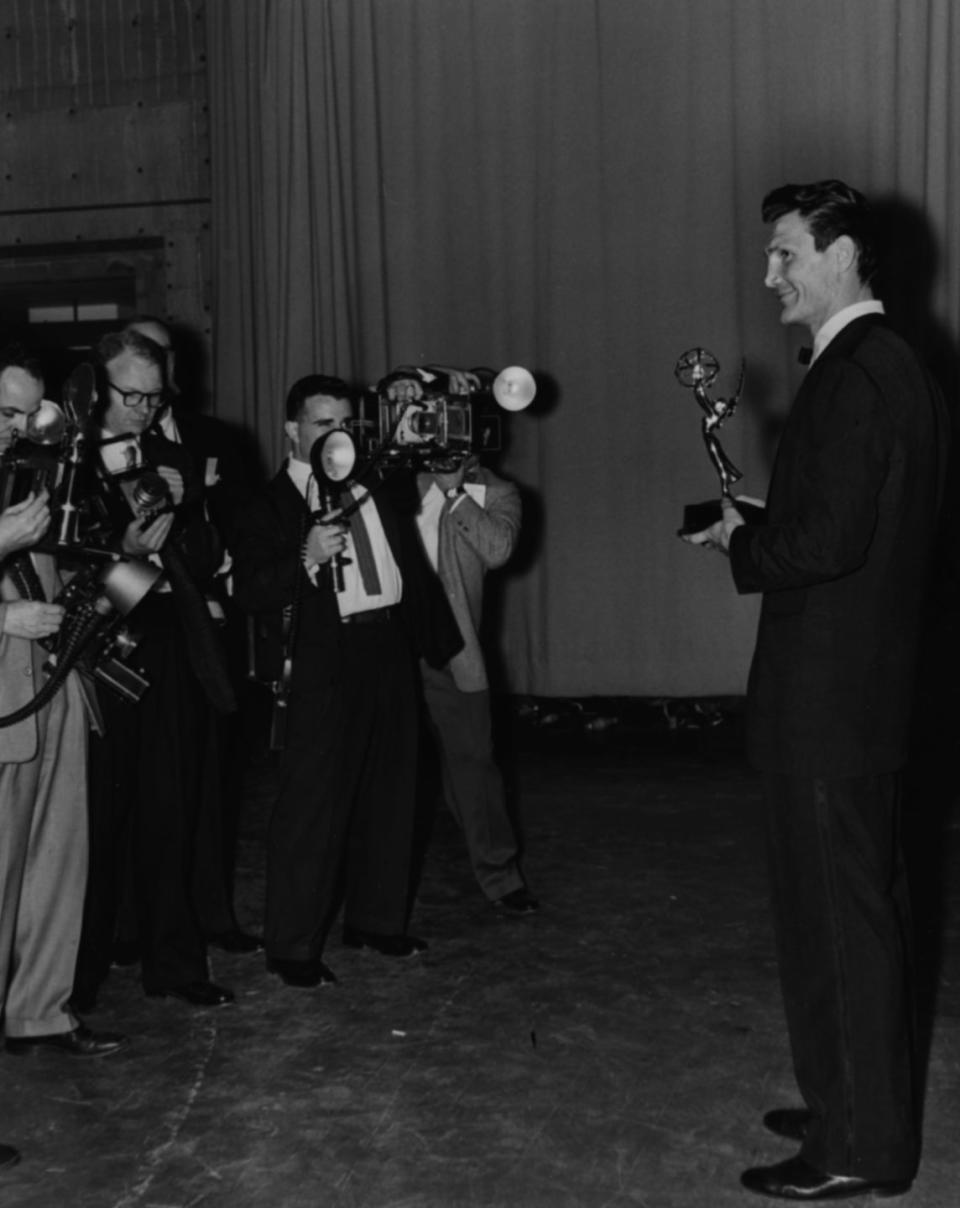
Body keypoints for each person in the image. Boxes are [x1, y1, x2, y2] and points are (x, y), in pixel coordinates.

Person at [684, 180, 948, 1200]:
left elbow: (829, 542)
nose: (770, 275)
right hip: (864, 699)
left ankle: (855, 1145)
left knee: (837, 927)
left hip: (828, 706)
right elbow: (857, 524)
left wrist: (744, 537)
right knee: (860, 915)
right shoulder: (895, 370)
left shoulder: (853, 374)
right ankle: (853, 1102)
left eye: (785, 253)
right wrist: (767, 511)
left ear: (842, 257)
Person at [232, 374, 462, 987]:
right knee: (313, 803)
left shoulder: (377, 483)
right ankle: (292, 946)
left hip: (387, 645)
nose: (334, 434)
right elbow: (249, 590)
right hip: (320, 659)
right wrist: (304, 556)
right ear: (291, 430)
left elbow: (406, 559)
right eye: (320, 422)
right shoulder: (265, 503)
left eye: (344, 423)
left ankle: (376, 921)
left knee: (393, 787)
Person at [73, 329, 236, 1010]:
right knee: (91, 818)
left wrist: (186, 507)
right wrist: (128, 548)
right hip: (91, 650)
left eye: (153, 395)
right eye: (129, 395)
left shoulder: (175, 455)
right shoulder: (65, 456)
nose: (142, 408)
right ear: (95, 390)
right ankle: (73, 978)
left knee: (170, 809)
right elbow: (66, 568)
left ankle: (174, 964)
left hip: (167, 643)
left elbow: (204, 559)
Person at [0, 345, 125, 1059]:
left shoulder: (24, 469)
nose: (17, 428)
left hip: (52, 680)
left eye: (26, 414)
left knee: (55, 858)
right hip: (5, 691)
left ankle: (39, 1012)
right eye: (6, 412)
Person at [123, 315, 261, 957]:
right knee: (150, 792)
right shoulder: (102, 447)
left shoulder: (215, 441)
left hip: (214, 630)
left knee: (211, 783)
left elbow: (245, 527)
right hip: (137, 635)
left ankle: (211, 915)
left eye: (163, 357)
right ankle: (143, 930)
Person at [413, 443, 538, 912]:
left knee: (474, 762)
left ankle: (501, 878)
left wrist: (455, 494)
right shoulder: (393, 481)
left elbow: (498, 549)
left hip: (452, 652)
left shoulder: (497, 492)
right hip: (387, 648)